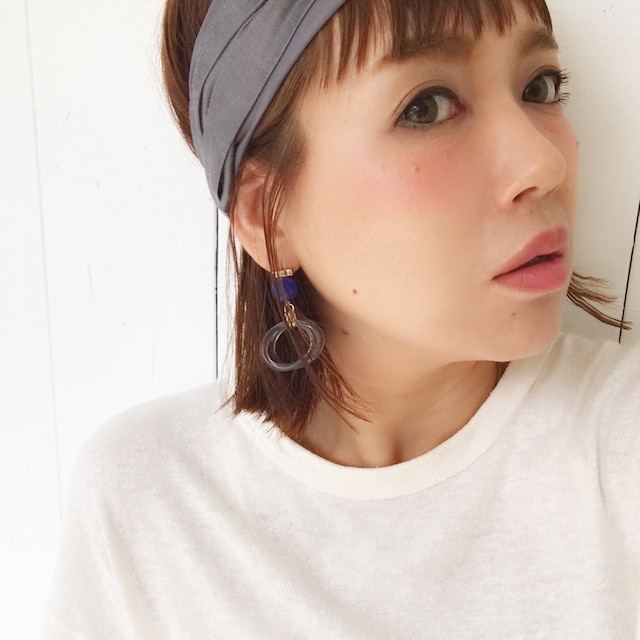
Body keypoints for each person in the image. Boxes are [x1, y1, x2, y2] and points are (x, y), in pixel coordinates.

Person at [44, 0, 639, 637]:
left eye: (539, 87)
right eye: (426, 107)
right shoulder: (146, 505)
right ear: (267, 217)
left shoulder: (617, 446)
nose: (544, 164)